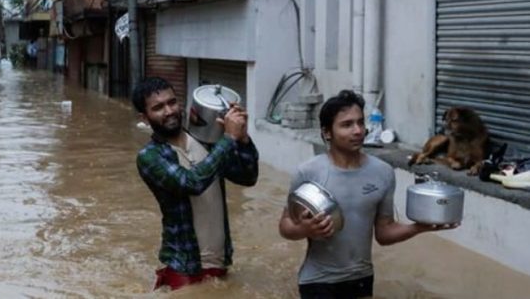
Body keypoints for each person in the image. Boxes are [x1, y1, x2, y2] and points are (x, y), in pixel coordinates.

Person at [279, 90, 457, 299]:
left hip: (361, 278)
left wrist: (417, 228)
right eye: (347, 125)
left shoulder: (382, 173)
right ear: (327, 132)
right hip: (318, 279)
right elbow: (285, 226)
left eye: (360, 123)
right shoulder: (308, 172)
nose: (358, 131)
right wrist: (304, 228)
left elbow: (384, 233)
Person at [133, 77, 259, 291]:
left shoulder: (206, 141)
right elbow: (191, 182)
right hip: (183, 266)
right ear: (145, 118)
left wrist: (243, 139)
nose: (169, 111)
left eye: (172, 102)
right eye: (158, 107)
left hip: (220, 261)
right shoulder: (150, 157)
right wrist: (228, 139)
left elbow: (248, 177)